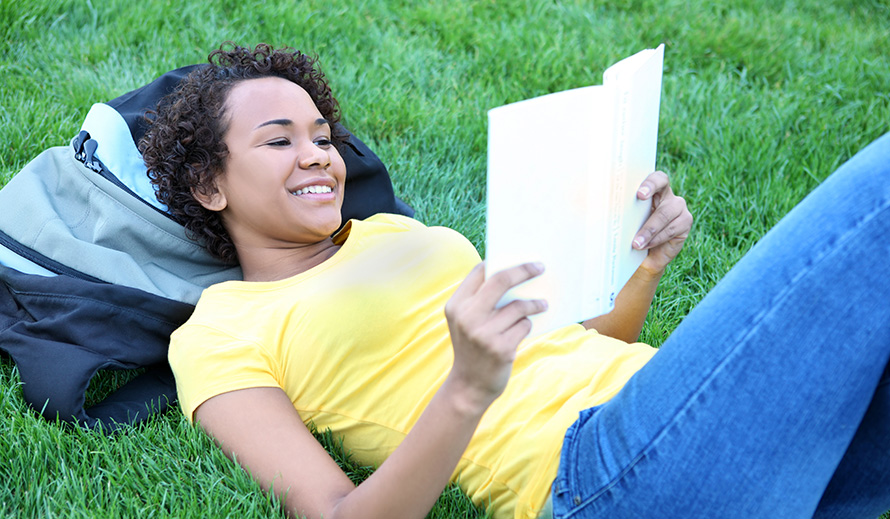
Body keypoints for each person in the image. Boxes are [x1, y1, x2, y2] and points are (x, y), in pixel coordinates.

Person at [140, 43, 890, 519]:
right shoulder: (219, 333)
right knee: (877, 194)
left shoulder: (397, 233)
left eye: (323, 137)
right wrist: (466, 385)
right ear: (210, 186)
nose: (318, 156)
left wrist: (644, 268)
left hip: (660, 410)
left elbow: (569, 344)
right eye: (280, 141)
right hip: (592, 476)